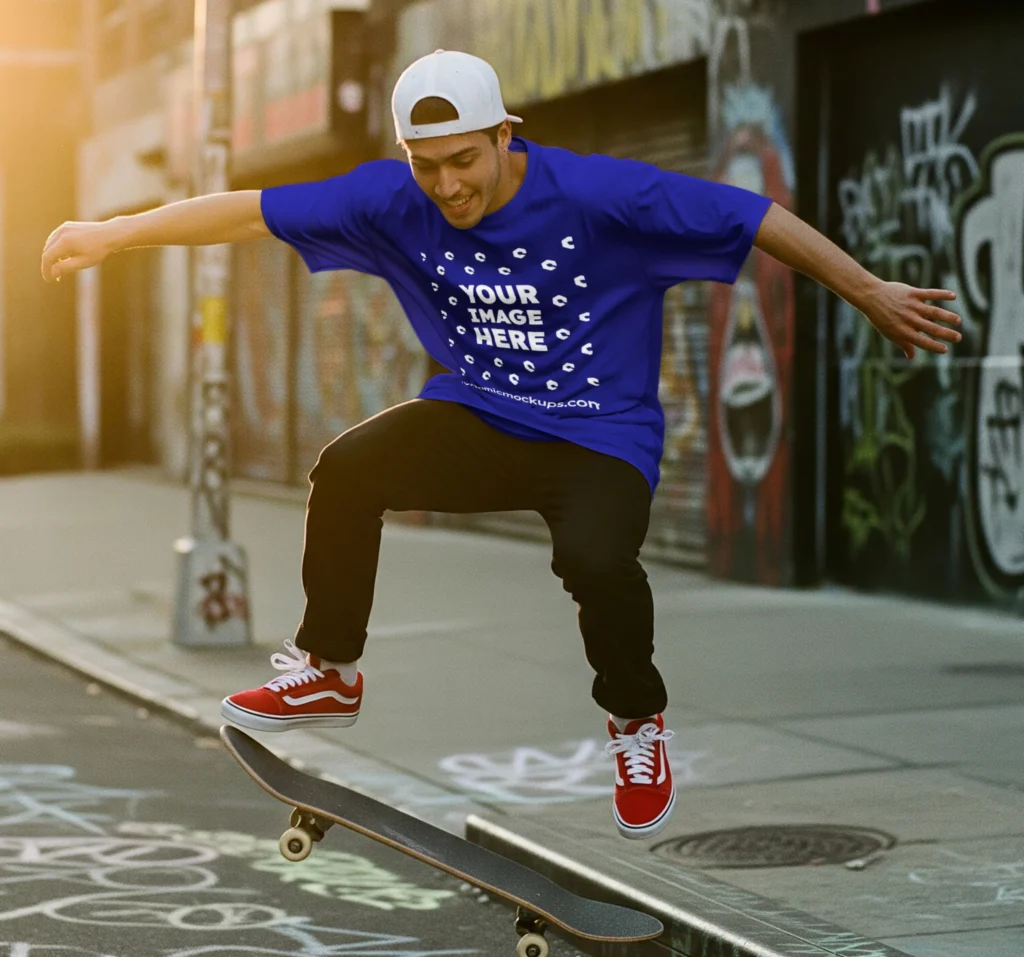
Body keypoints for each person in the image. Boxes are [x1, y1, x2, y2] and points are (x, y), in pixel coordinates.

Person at [41, 50, 961, 840]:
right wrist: (114, 233)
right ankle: (329, 670)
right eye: (427, 166)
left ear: (506, 135)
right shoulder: (386, 200)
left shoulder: (603, 194)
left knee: (598, 561)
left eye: (465, 162)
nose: (449, 188)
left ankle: (636, 723)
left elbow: (751, 216)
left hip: (601, 435)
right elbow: (247, 212)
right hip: (480, 415)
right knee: (348, 469)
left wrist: (867, 289)